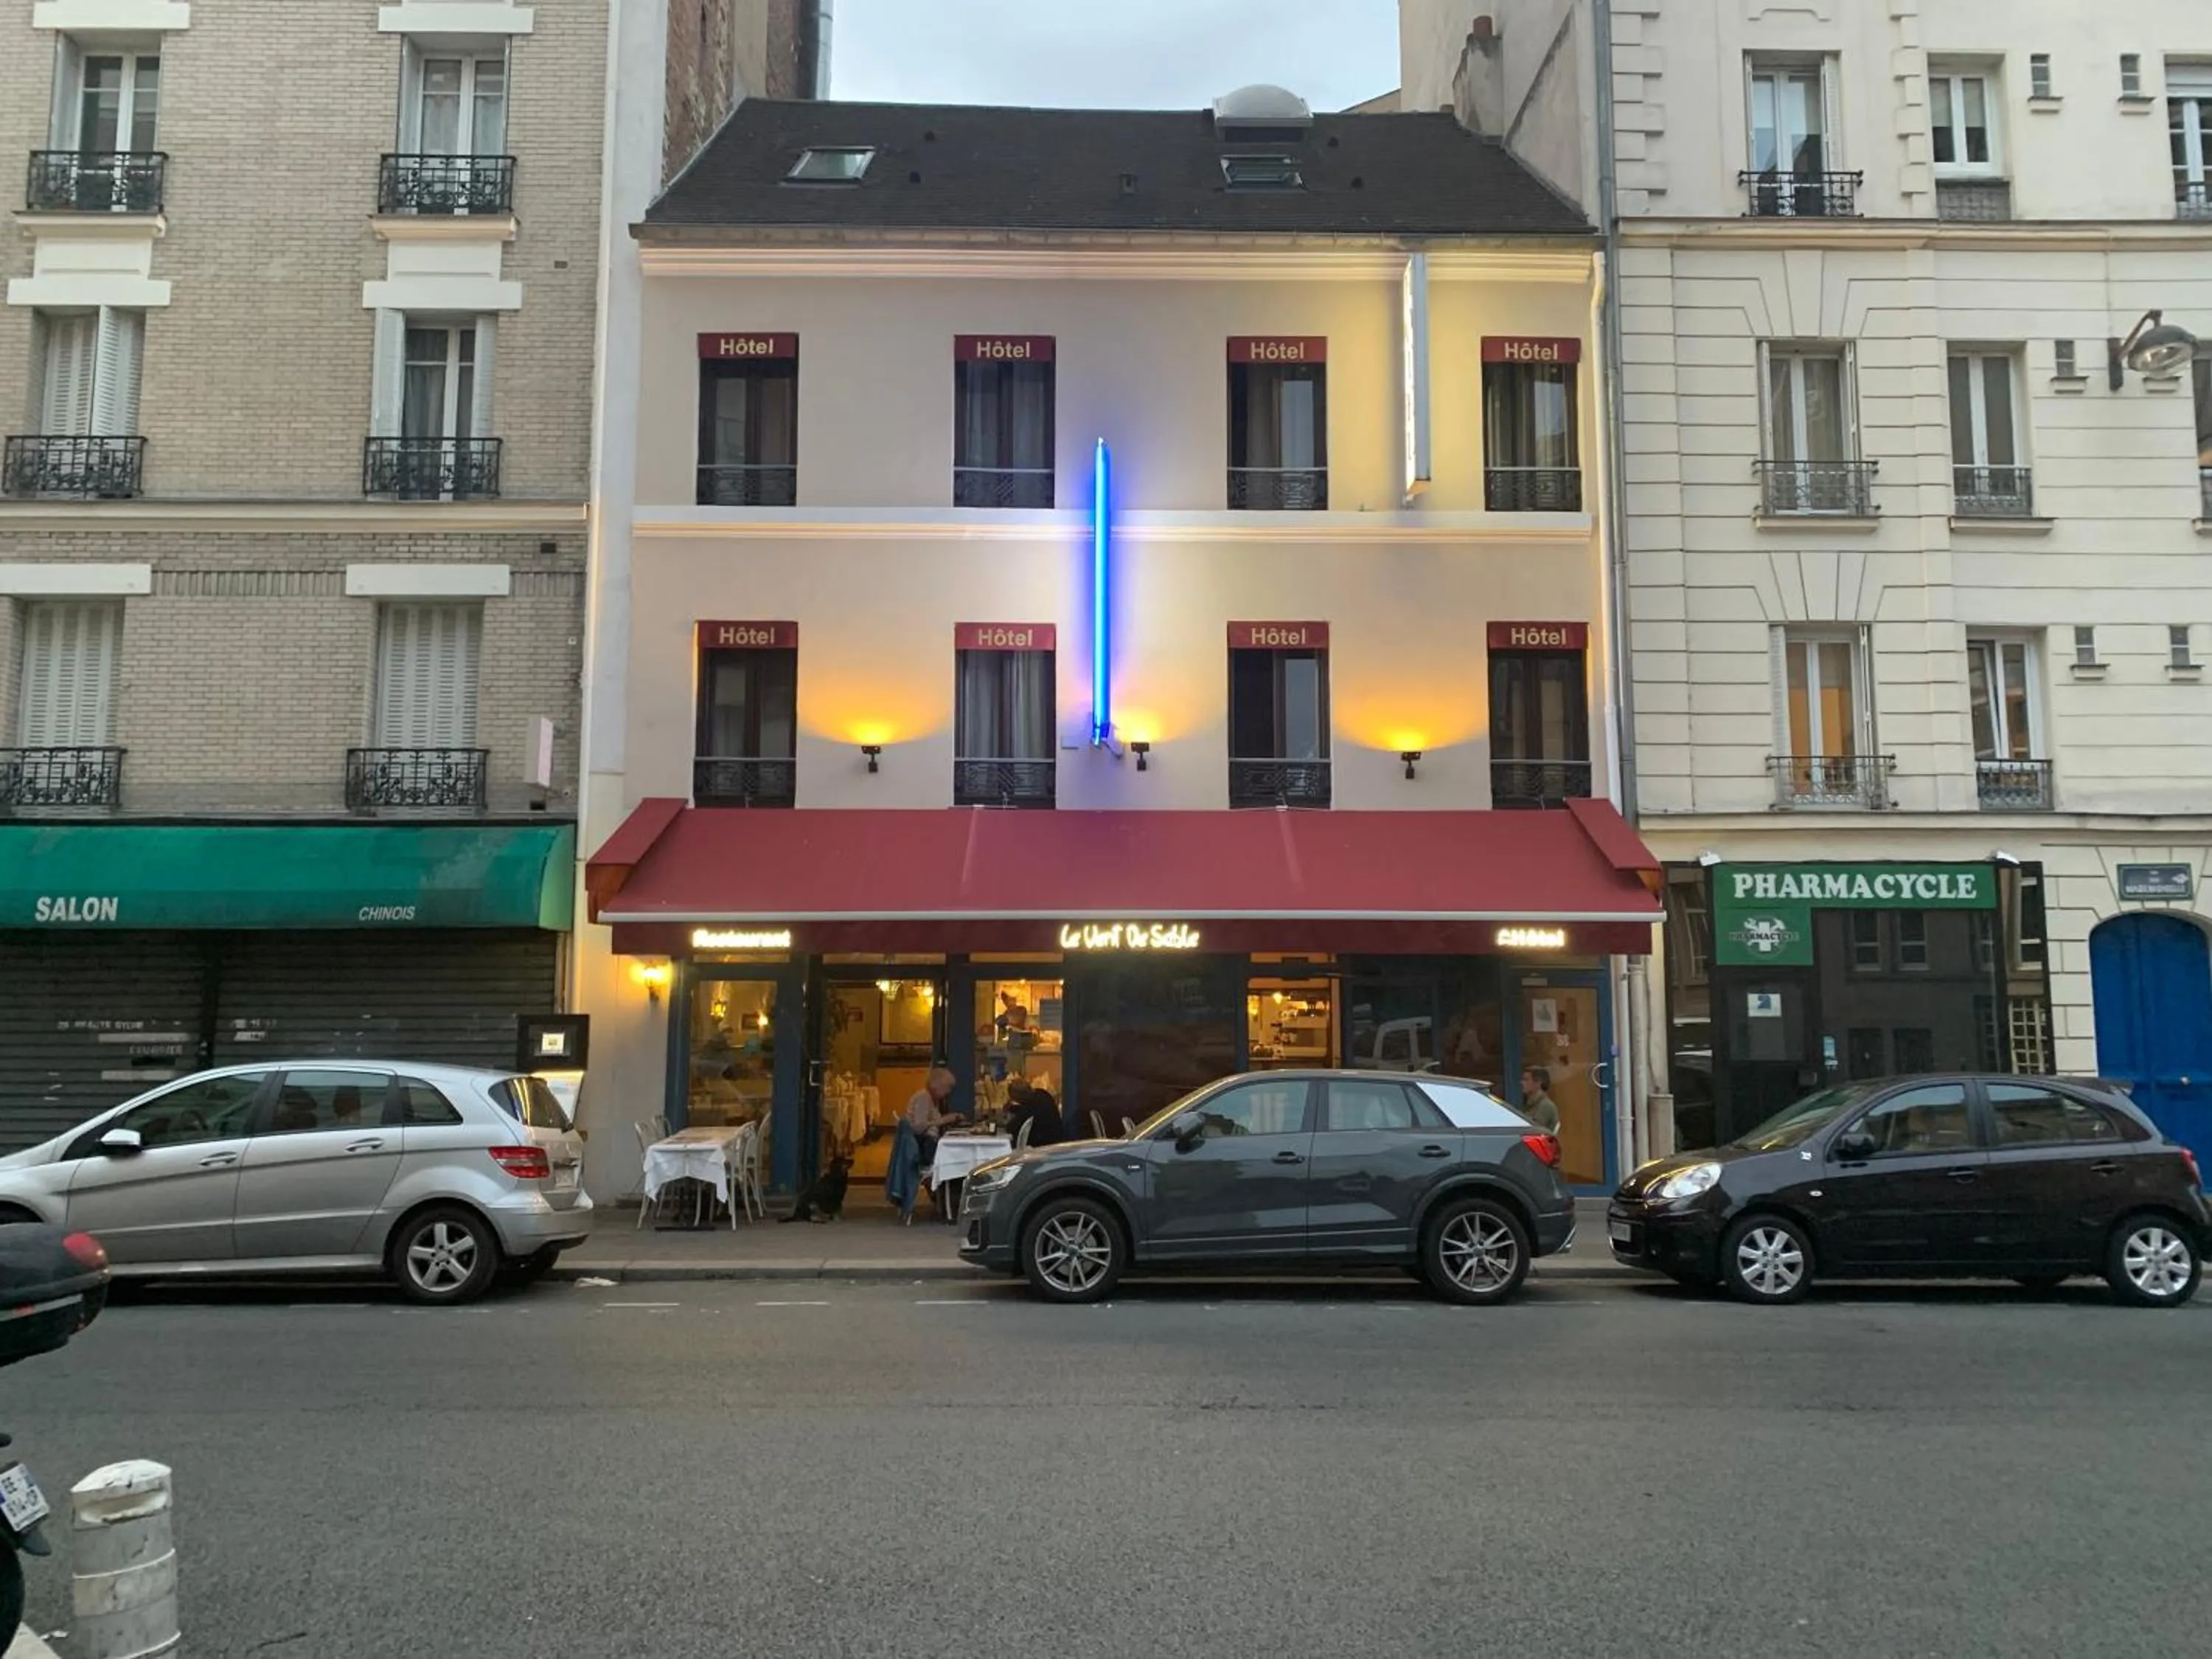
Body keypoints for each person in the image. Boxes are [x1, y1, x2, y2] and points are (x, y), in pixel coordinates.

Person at [1005, 1077, 1065, 1149]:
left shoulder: (1030, 1107)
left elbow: (1011, 1127)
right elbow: (1028, 1111)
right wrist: (1013, 1108)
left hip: (1044, 1145)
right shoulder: (1042, 1094)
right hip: (1056, 1138)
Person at [1520, 1065, 1561, 1134]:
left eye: (1526, 1080)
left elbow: (1532, 1130)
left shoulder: (1545, 1106)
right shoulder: (1531, 1105)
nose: (1522, 1083)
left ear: (1538, 1083)